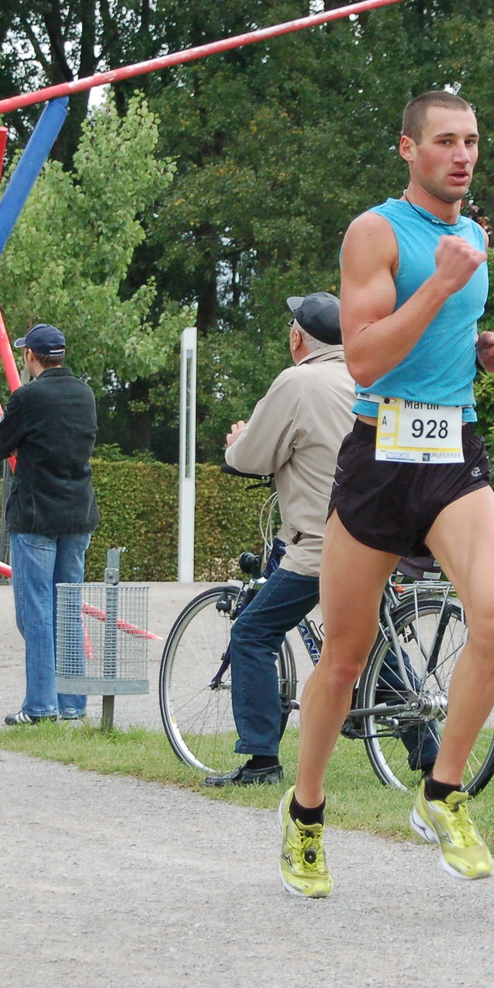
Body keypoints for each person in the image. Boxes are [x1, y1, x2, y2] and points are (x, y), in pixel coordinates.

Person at [279, 92, 494, 898]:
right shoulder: (376, 231)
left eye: (473, 141)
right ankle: (306, 814)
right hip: (382, 450)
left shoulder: (474, 236)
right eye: (446, 141)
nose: (463, 155)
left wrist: (484, 352)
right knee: (345, 659)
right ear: (408, 149)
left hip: (453, 446)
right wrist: (441, 287)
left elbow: (439, 345)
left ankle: (443, 791)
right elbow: (366, 360)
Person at [207, 292, 355, 786]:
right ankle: (427, 749)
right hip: (375, 540)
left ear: (298, 338)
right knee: (361, 642)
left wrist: (236, 442)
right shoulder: (364, 377)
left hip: (320, 544)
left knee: (252, 632)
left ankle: (261, 759)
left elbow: (252, 456)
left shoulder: (298, 381)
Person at [0, 324, 100, 725]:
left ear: (31, 357)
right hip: (78, 511)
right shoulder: (84, 394)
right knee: (68, 610)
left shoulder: (27, 397)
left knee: (34, 611)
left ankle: (39, 706)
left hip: (36, 514)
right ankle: (72, 704)